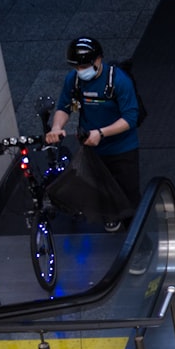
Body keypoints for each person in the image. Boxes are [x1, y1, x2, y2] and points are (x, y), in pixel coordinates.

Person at [46, 36, 141, 233]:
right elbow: (64, 107)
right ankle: (109, 214)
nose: (81, 71)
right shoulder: (73, 80)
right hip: (92, 147)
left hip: (122, 149)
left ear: (99, 60)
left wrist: (101, 133)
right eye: (76, 67)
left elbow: (130, 118)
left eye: (85, 66)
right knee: (98, 187)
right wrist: (56, 127)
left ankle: (138, 240)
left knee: (129, 197)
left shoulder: (119, 81)